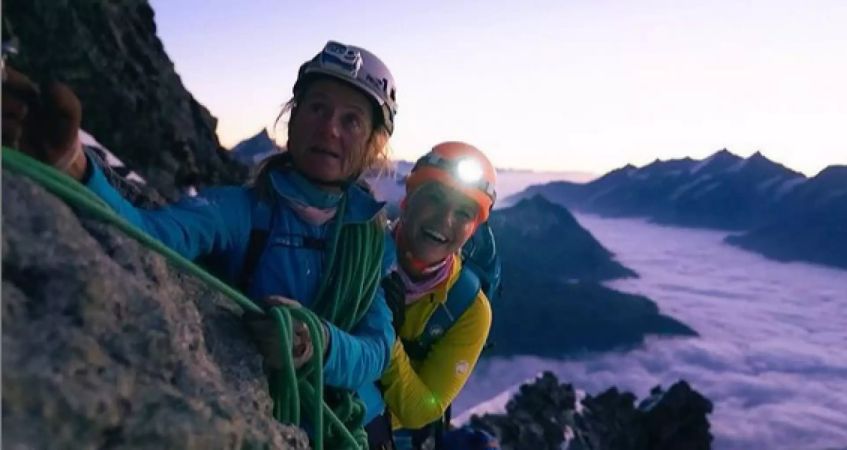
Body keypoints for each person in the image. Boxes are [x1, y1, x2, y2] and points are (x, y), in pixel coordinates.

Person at [3, 40, 400, 449]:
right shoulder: (243, 210)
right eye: (317, 107)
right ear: (294, 116)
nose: (329, 128)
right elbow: (151, 235)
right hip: (283, 420)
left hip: (352, 421)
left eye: (351, 120)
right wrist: (71, 160)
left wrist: (317, 343)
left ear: (373, 142)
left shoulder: (371, 241)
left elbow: (377, 349)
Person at [378, 142, 497, 449]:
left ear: (473, 229)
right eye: (434, 199)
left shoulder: (469, 309)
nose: (445, 220)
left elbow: (423, 410)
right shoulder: (360, 248)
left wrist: (384, 336)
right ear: (408, 200)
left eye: (463, 213)